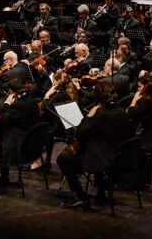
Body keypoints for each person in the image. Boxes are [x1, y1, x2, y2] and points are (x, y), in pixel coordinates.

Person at [57, 81, 131, 209]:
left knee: (62, 160)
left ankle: (81, 198)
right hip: (117, 156)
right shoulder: (122, 112)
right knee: (96, 147)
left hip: (101, 159)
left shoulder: (99, 115)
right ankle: (100, 195)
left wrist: (89, 116)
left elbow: (79, 133)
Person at [127, 76, 152, 183]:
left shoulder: (145, 102)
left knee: (128, 146)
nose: (138, 90)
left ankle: (133, 180)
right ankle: (144, 179)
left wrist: (134, 101)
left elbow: (132, 114)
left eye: (139, 87)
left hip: (149, 142)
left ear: (145, 87)